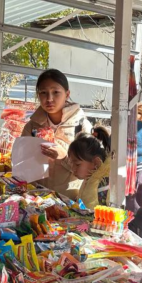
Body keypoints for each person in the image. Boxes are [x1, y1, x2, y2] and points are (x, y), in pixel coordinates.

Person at [21, 69, 92, 200]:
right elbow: (22, 164)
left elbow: (88, 171)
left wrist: (64, 156)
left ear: (67, 94)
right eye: (43, 93)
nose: (49, 99)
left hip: (70, 201)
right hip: (37, 199)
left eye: (56, 92)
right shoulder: (31, 127)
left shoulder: (81, 127)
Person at [68, 126, 111, 209]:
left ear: (96, 163)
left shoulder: (103, 184)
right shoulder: (88, 178)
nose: (73, 168)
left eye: (77, 164)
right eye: (71, 164)